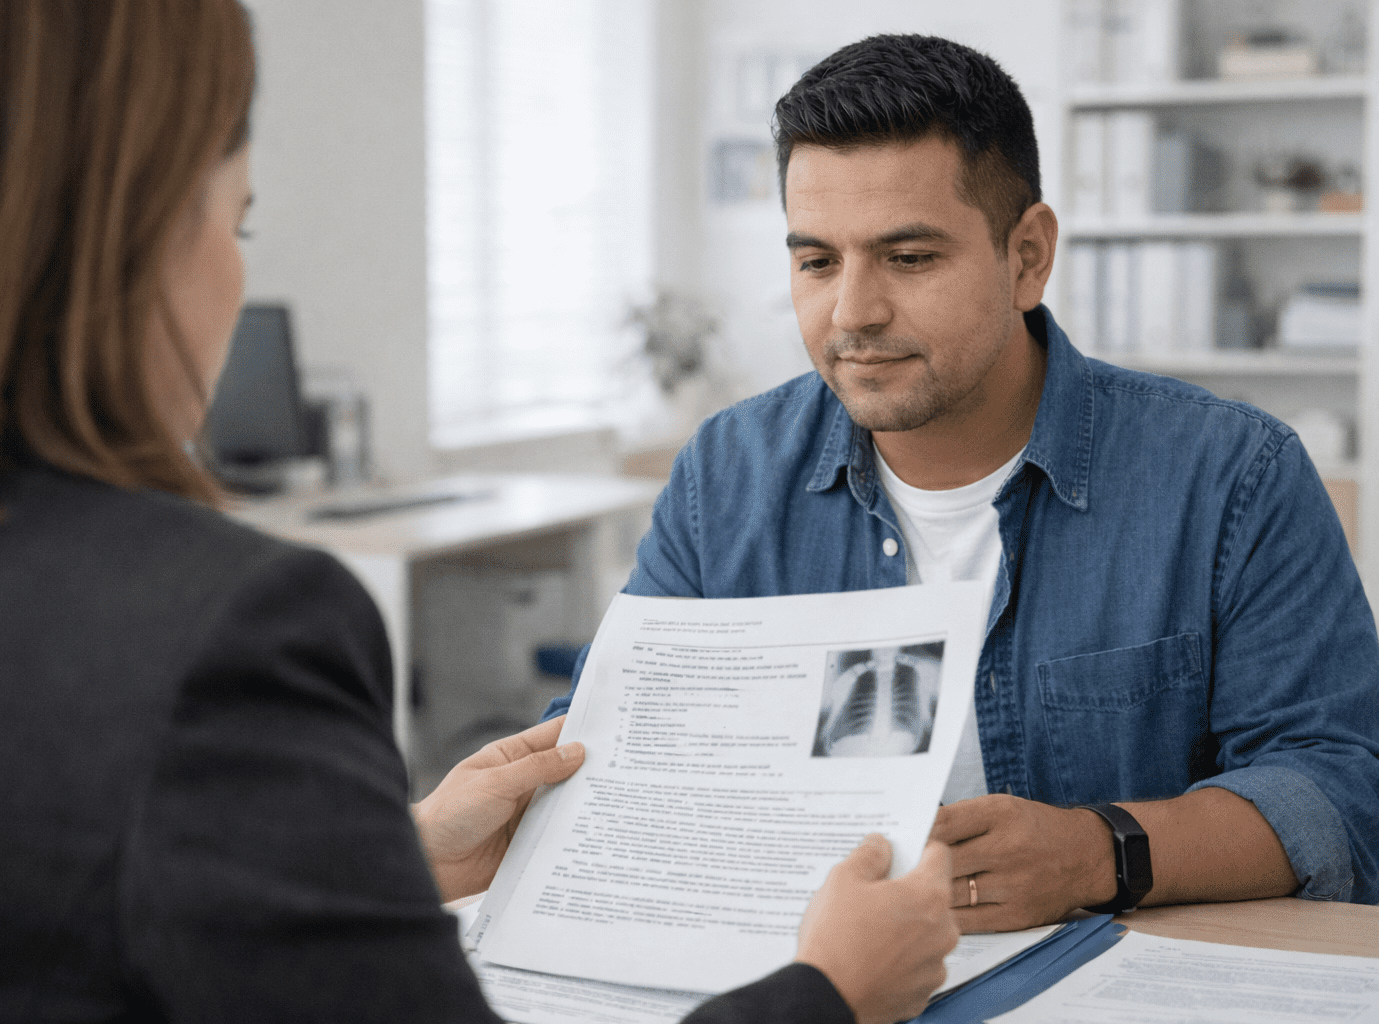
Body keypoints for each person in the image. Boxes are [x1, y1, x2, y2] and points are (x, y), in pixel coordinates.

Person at [0, 3, 960, 1021]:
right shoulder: (221, 633)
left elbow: (40, 898)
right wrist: (830, 991)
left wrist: (381, 855)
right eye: (234, 223)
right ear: (125, 239)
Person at [545, 32, 1379, 926]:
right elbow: (614, 745)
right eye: (817, 261)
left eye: (909, 259)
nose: (853, 313)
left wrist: (1102, 852)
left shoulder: (1231, 477)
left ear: (1027, 257)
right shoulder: (728, 476)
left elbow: (1338, 792)